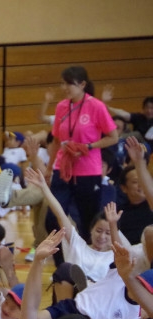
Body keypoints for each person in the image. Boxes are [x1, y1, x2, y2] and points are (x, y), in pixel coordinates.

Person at [48, 66, 119, 242]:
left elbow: (113, 137)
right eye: (63, 83)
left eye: (69, 84)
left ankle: (88, 256)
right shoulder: (61, 107)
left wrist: (89, 146)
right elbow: (56, 140)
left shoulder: (96, 106)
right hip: (63, 168)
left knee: (88, 221)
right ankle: (61, 256)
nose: (65, 88)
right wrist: (49, 167)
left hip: (88, 171)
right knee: (51, 219)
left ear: (82, 84)